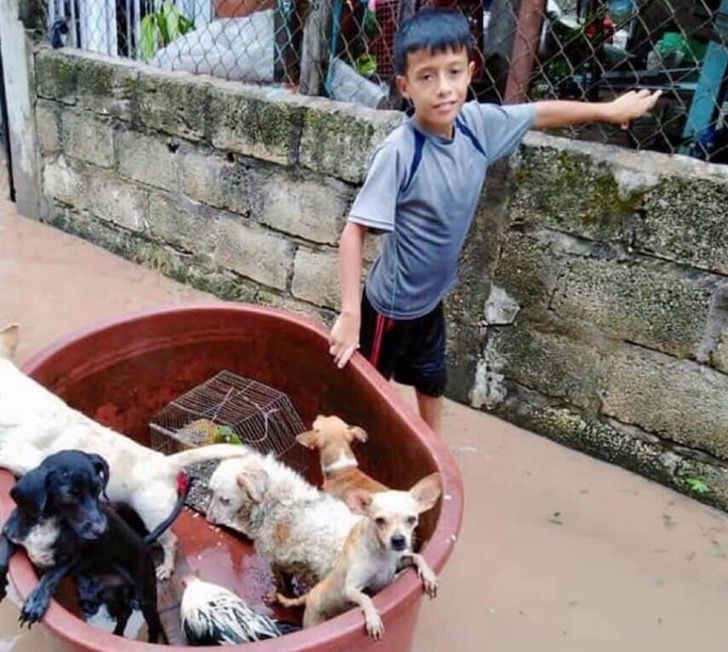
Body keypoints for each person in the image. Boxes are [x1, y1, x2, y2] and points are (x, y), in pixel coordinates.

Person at [328, 7, 661, 434]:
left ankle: (435, 459)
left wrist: (606, 111)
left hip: (430, 302)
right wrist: (350, 313)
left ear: (470, 72)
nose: (443, 88)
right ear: (404, 87)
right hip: (389, 310)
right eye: (427, 77)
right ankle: (349, 469)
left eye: (452, 72)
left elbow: (538, 113)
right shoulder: (400, 152)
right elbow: (353, 231)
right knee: (362, 399)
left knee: (432, 381)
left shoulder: (476, 126)